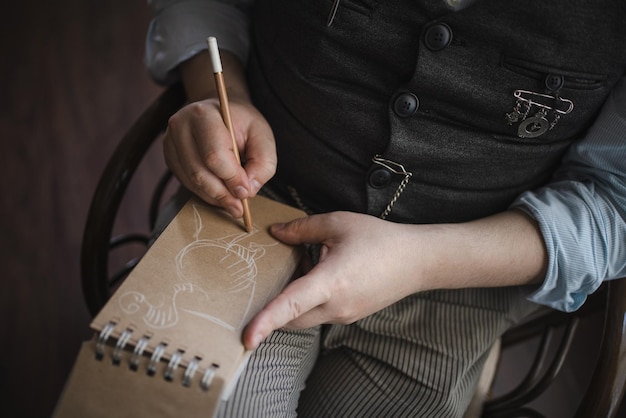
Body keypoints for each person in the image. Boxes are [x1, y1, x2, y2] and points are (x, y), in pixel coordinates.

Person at [144, 1, 626, 416]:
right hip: (256, 211)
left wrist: (421, 263)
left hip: (464, 280)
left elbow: (615, 201)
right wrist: (220, 95)